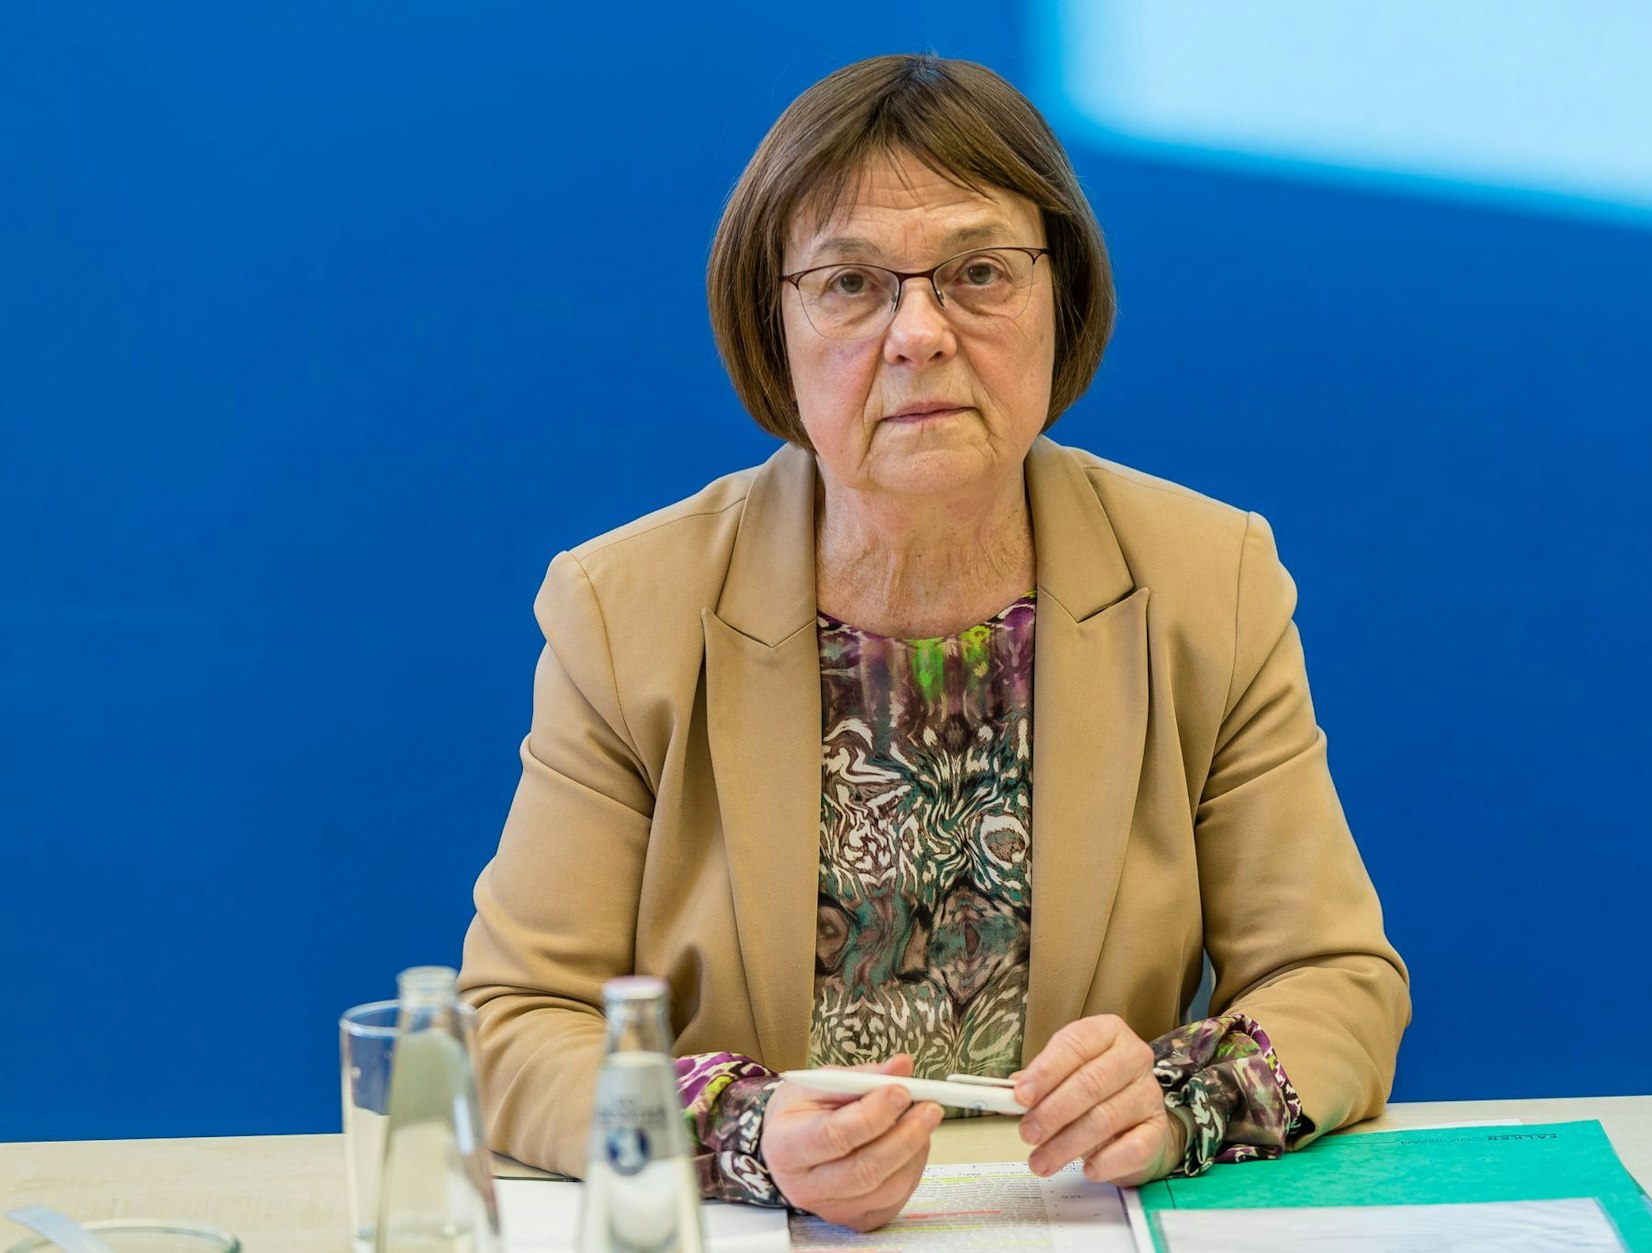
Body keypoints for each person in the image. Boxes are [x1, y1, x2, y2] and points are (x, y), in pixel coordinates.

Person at [459, 52, 1409, 1232]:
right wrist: (747, 1134)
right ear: (773, 325)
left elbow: (1336, 980)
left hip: (1075, 1220)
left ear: (1061, 299)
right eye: (851, 283)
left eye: (977, 273)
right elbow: (509, 1023)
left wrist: (1175, 1098)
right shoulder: (625, 605)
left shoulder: (1206, 579)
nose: (919, 332)